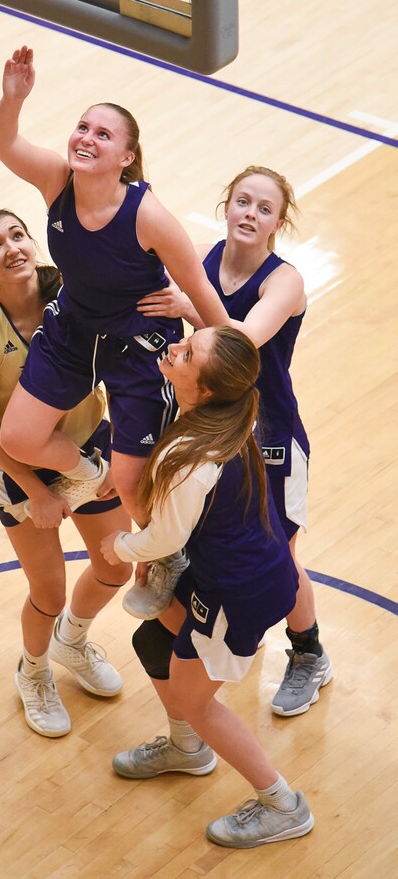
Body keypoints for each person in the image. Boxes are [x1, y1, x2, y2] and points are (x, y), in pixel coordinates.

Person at [0, 46, 230, 614]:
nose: (86, 138)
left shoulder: (149, 216)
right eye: (81, 127)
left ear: (127, 156)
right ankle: (87, 471)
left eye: (102, 133)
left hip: (138, 347)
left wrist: (234, 355)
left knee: (133, 485)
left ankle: (162, 554)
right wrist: (13, 98)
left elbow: (199, 289)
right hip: (72, 329)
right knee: (19, 439)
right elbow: (2, 142)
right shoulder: (56, 181)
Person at [101, 325, 314, 849]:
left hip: (236, 592)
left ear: (209, 387)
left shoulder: (197, 458)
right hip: (239, 571)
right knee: (151, 639)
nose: (174, 348)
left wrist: (120, 548)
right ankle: (185, 748)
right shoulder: (223, 415)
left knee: (198, 700)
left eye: (187, 352)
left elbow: (166, 534)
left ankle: (281, 804)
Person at [139, 165, 332, 716]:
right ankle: (219, 637)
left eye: (264, 208)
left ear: (278, 222)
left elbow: (239, 341)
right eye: (242, 201)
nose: (250, 213)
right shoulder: (198, 255)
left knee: (281, 557)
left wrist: (187, 307)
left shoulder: (284, 280)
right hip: (211, 433)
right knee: (213, 539)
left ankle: (310, 654)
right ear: (226, 206)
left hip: (269, 437)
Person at [0, 208, 132, 739]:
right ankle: (32, 672)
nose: (10, 248)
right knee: (48, 593)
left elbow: (122, 369)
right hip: (21, 472)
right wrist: (37, 491)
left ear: (33, 241)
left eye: (17, 234)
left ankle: (71, 642)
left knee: (115, 567)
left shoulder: (71, 297)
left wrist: (121, 445)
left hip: (91, 448)